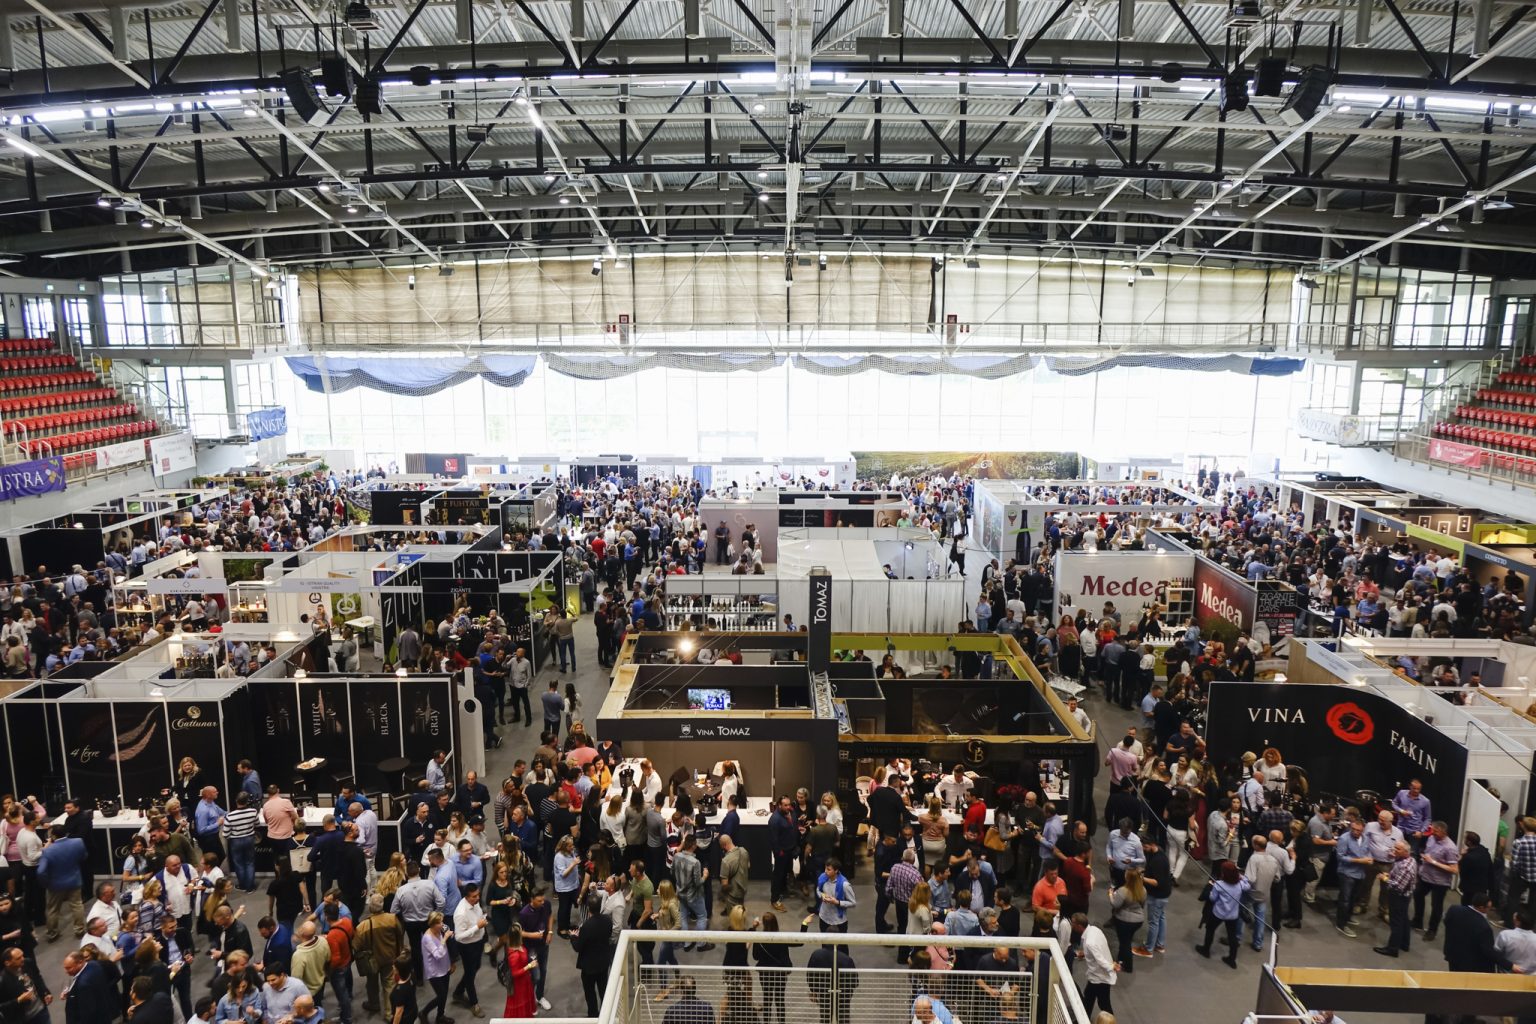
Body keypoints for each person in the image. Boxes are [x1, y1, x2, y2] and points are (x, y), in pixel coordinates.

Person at [36, 827, 86, 943]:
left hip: (55, 885)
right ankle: (79, 929)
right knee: (77, 905)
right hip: (74, 880)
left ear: (53, 836)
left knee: (53, 909)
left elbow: (41, 871)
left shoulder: (47, 851)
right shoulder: (78, 842)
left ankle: (52, 933)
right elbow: (83, 857)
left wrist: (46, 883)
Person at [1196, 861, 1249, 968]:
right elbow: (1248, 885)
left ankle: (1206, 950)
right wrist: (1241, 877)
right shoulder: (1240, 885)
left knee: (1210, 929)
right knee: (1232, 936)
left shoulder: (1219, 884)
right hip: (1233, 915)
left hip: (1218, 913)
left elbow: (1212, 898)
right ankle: (1232, 959)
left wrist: (1210, 886)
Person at [1442, 892, 1510, 974]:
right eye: (1489, 908)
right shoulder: (1484, 927)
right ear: (1481, 908)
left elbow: (1447, 922)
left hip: (1453, 955)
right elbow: (1489, 951)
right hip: (1470, 964)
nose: (1489, 910)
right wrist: (1510, 965)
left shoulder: (1454, 909)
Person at [1413, 820, 1459, 942]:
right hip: (1426, 876)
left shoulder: (1450, 848)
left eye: (1436, 831)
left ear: (1444, 832)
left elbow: (1454, 870)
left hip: (1440, 882)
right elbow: (1428, 853)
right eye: (1432, 830)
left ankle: (1432, 930)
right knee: (1417, 894)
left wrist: (1433, 862)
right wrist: (1424, 859)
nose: (1433, 833)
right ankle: (1417, 921)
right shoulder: (1431, 838)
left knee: (1436, 905)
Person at [1374, 840, 1418, 958]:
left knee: (1396, 923)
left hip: (1399, 897)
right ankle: (1404, 944)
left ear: (1406, 851)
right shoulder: (1410, 860)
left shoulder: (1405, 867)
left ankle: (1392, 949)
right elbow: (1399, 877)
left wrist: (1384, 878)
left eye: (1398, 849)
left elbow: (1398, 886)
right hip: (1405, 896)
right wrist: (1390, 875)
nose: (1394, 850)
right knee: (1404, 919)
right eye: (1395, 848)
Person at [571, 892, 613, 1017]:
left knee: (590, 993)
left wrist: (573, 937)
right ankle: (606, 1015)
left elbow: (578, 947)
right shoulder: (607, 920)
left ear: (588, 908)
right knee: (603, 990)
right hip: (603, 963)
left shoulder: (586, 926)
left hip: (589, 967)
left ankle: (593, 1015)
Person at [1072, 912, 1116, 1016]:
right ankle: (1084, 1018)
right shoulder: (1095, 930)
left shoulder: (1089, 942)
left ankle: (1110, 1021)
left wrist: (1112, 967)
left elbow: (1100, 960)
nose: (1071, 925)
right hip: (1098, 975)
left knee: (1103, 1003)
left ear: (1079, 926)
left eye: (1073, 923)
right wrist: (1086, 953)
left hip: (1099, 977)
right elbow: (1099, 948)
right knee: (1089, 996)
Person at [1107, 869, 1146, 973]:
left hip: (1124, 920)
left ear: (1128, 878)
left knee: (1125, 943)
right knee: (1126, 940)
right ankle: (1120, 959)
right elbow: (1142, 904)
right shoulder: (1142, 890)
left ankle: (1128, 966)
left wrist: (1110, 894)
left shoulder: (1123, 891)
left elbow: (1115, 904)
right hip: (1138, 921)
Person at [419, 912, 452, 1024]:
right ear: (432, 924)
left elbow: (447, 942)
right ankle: (423, 1012)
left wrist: (449, 934)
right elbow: (437, 955)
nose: (442, 924)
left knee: (444, 994)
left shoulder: (439, 930)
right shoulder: (427, 938)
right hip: (434, 971)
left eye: (442, 921)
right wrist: (445, 938)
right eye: (439, 922)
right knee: (441, 995)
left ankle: (440, 1016)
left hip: (444, 966)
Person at [501, 924, 537, 1020]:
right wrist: (529, 966)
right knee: (521, 1004)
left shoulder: (518, 946)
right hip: (519, 985)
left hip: (525, 980)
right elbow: (515, 973)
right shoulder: (514, 955)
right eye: (521, 931)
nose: (523, 931)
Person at [814, 859, 855, 933]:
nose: (825, 871)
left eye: (828, 869)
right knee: (824, 940)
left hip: (838, 921)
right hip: (824, 917)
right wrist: (822, 895)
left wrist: (837, 902)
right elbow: (818, 889)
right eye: (825, 868)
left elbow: (853, 903)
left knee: (840, 941)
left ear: (836, 871)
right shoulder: (822, 877)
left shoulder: (844, 885)